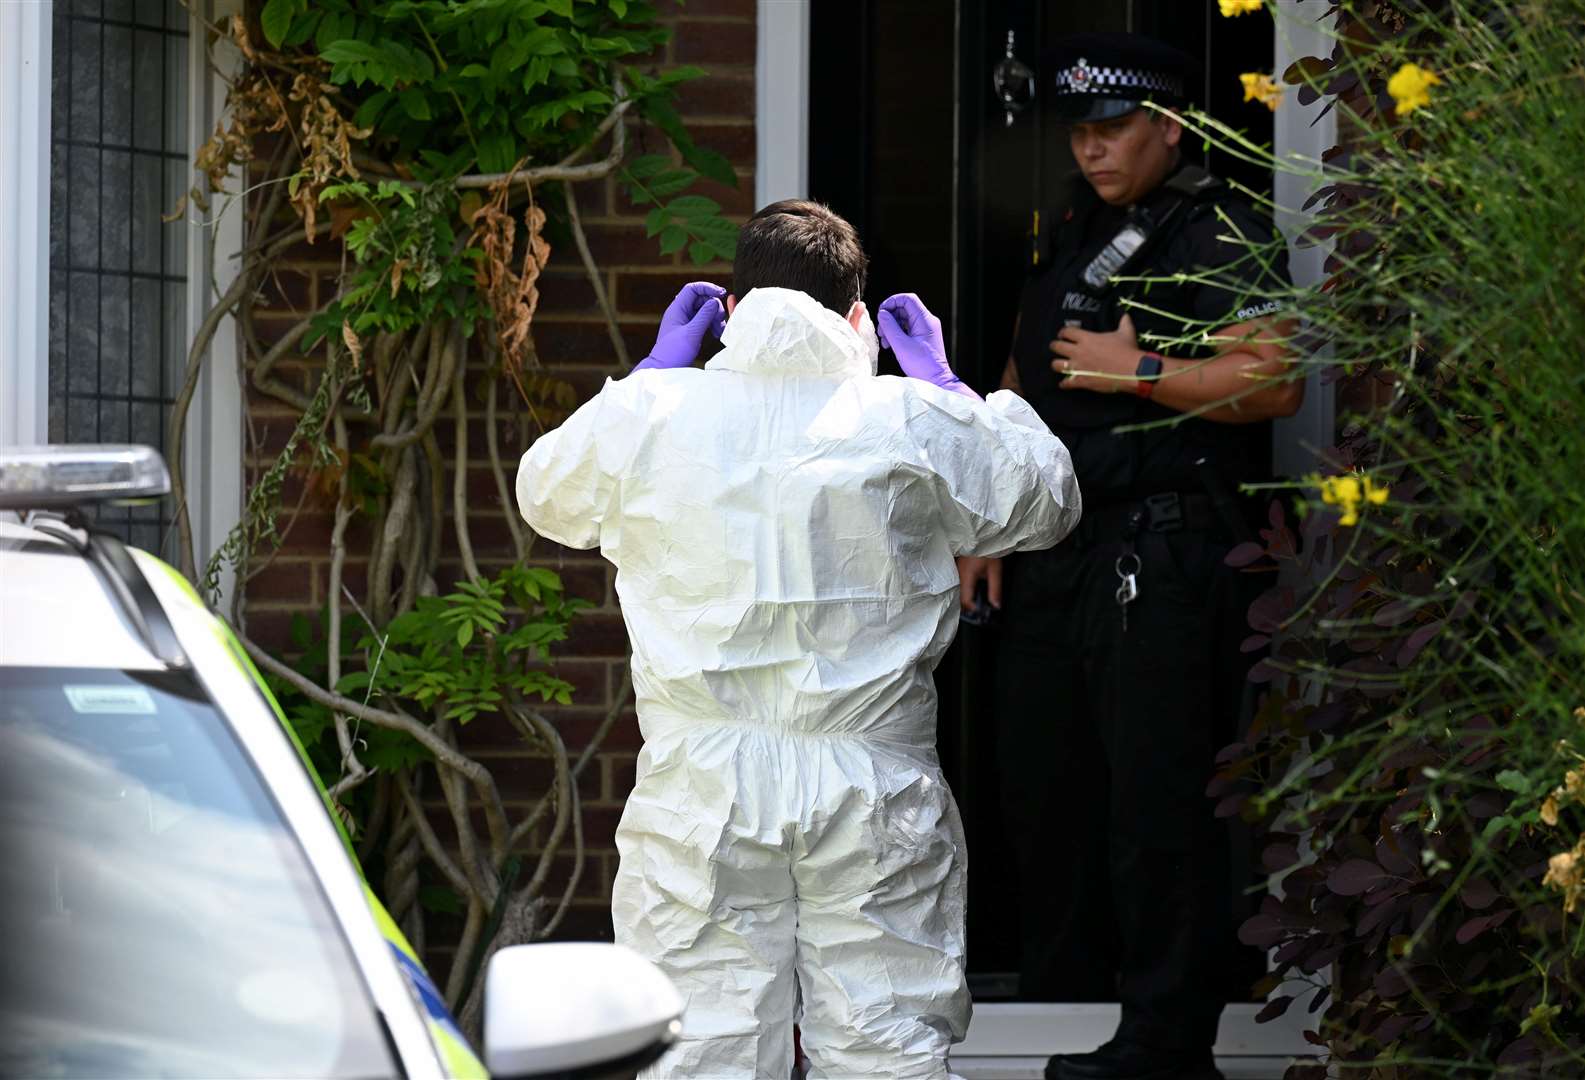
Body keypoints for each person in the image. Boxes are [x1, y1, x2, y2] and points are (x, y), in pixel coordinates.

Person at [516, 200, 1082, 1078]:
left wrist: (649, 376)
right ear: (857, 318)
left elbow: (548, 493)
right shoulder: (907, 418)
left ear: (731, 311)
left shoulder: (658, 415)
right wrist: (946, 388)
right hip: (870, 784)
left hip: (702, 787)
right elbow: (1040, 500)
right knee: (884, 1041)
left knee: (701, 1045)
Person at [955, 33, 1303, 1080]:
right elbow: (1022, 375)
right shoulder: (1072, 229)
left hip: (1161, 550)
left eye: (1113, 130)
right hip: (1054, 548)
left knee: (1156, 808)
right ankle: (1064, 1000)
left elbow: (1272, 380)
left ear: (1169, 128)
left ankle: (1164, 1042)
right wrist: (989, 513)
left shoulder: (1221, 229)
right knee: (1042, 790)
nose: (1093, 148)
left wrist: (1139, 367)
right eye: (1081, 131)